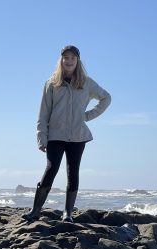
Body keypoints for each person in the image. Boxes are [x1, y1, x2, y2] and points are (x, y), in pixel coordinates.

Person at [22, 45, 111, 223]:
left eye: (72, 58)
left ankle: (68, 214)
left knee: (73, 172)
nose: (69, 61)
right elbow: (43, 113)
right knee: (51, 169)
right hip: (55, 135)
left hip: (78, 136)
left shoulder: (86, 82)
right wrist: (41, 137)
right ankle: (35, 210)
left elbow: (106, 98)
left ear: (78, 61)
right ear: (61, 60)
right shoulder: (51, 83)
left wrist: (88, 116)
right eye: (66, 58)